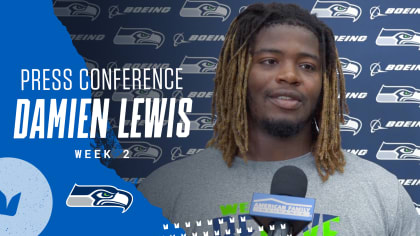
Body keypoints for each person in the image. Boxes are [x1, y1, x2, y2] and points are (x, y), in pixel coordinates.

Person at [139, 3, 419, 235]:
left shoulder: (381, 192)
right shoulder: (166, 191)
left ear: (324, 83)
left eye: (307, 66)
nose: (290, 75)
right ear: (238, 74)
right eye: (269, 61)